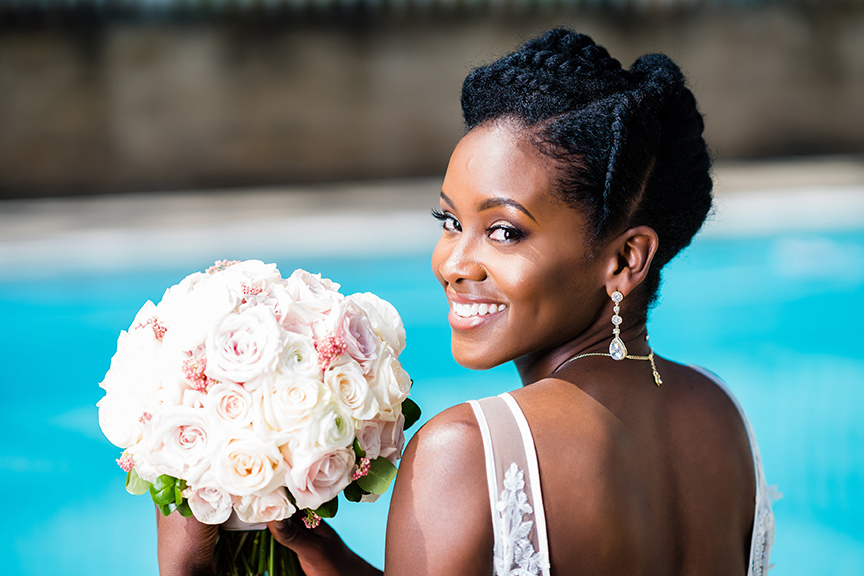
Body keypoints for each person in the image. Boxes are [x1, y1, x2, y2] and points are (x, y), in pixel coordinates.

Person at [157, 27, 775, 576]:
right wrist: (329, 558)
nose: (454, 263)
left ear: (624, 260)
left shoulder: (470, 450)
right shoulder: (722, 415)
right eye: (450, 220)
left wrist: (186, 566)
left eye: (504, 231)